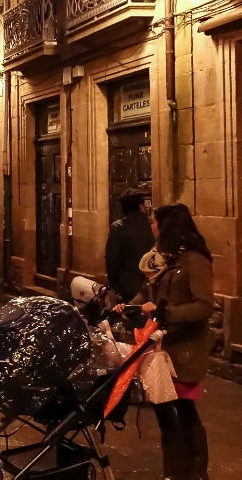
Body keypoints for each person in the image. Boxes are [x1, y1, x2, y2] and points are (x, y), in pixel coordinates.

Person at [116, 203, 214, 480]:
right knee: (164, 414)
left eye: (154, 222)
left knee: (184, 412)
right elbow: (149, 293)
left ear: (167, 226)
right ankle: (173, 472)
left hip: (183, 350)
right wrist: (130, 307)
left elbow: (205, 306)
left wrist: (165, 313)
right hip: (160, 347)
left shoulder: (195, 261)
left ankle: (195, 473)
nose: (151, 226)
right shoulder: (165, 259)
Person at [105, 188, 155, 302]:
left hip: (127, 287)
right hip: (152, 285)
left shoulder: (118, 227)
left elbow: (112, 259)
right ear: (141, 206)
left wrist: (112, 284)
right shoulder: (153, 224)